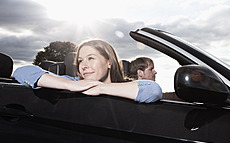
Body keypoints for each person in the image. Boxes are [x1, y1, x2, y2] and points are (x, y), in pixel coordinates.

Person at [13, 40, 162, 103]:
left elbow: (153, 90)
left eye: (91, 58)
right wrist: (70, 86)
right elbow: (22, 72)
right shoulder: (75, 83)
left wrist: (100, 88)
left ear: (109, 62)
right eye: (80, 61)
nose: (84, 65)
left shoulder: (126, 86)